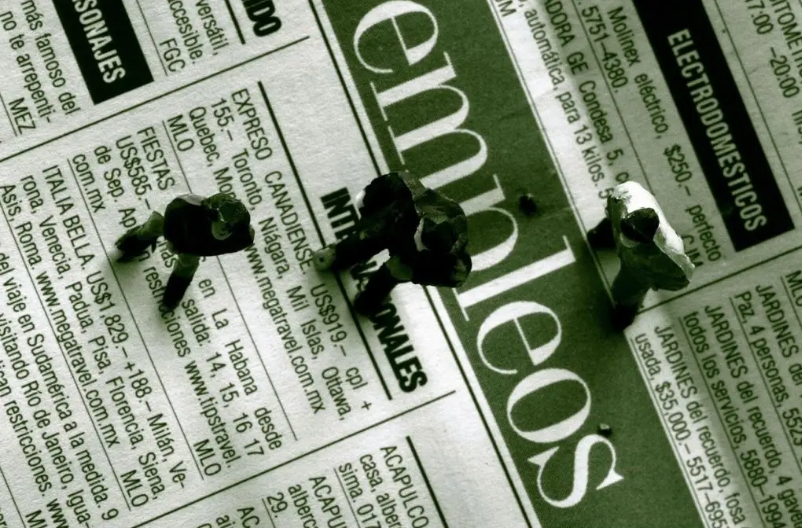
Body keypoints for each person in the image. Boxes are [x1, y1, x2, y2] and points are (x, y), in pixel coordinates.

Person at [313, 171, 471, 315]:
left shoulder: (454, 267)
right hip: (396, 225)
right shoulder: (411, 195)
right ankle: (340, 255)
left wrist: (415, 273)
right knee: (373, 237)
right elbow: (393, 184)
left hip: (415, 260)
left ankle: (368, 301)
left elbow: (457, 277)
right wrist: (370, 217)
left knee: (393, 271)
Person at [115, 193, 255, 309]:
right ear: (211, 214)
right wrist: (174, 242)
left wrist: (192, 248)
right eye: (217, 218)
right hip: (171, 220)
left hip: (195, 244)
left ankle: (174, 294)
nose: (224, 229)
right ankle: (132, 243)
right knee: (152, 227)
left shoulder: (242, 238)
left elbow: (216, 247)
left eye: (230, 227)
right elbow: (172, 219)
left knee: (188, 264)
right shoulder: (184, 207)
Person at [587, 181, 694, 329]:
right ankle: (605, 236)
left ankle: (626, 309)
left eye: (632, 239)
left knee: (626, 291)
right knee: (608, 229)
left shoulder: (669, 253)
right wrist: (613, 221)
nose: (624, 240)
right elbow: (613, 202)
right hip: (617, 225)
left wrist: (654, 282)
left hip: (640, 269)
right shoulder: (627, 194)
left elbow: (682, 277)